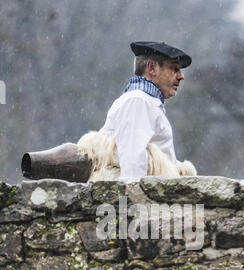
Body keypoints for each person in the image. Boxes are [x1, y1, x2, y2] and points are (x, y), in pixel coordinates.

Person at [77, 41, 197, 182]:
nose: (181, 76)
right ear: (152, 68)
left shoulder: (146, 102)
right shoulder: (138, 101)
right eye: (174, 69)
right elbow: (133, 158)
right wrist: (132, 201)